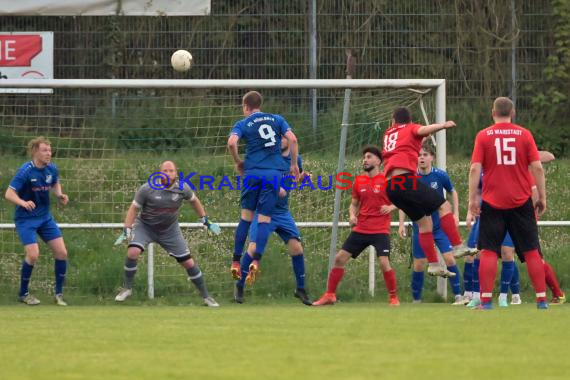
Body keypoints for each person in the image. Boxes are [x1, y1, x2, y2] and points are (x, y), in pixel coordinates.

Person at [468, 97, 548, 309]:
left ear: (492, 112)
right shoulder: (525, 134)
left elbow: (475, 169)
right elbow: (538, 168)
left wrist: (471, 200)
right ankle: (541, 300)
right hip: (521, 201)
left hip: (493, 201)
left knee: (488, 251)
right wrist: (542, 196)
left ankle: (485, 301)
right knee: (531, 250)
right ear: (512, 113)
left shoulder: (483, 136)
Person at [381, 107, 474, 278]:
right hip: (405, 181)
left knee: (425, 224)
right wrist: (442, 125)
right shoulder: (410, 128)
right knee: (444, 206)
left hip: (391, 187)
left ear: (393, 121)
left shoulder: (388, 133)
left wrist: (425, 135)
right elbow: (422, 130)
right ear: (409, 121)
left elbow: (415, 138)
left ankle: (432, 264)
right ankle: (457, 246)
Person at [114, 160, 221, 306]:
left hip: (169, 230)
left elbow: (195, 201)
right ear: (160, 173)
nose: (168, 173)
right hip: (145, 227)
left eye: (171, 170)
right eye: (165, 170)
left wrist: (206, 221)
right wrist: (127, 228)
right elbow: (133, 208)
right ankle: (127, 288)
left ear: (176, 173)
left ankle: (206, 297)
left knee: (189, 263)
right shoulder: (147, 189)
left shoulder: (183, 188)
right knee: (133, 252)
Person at [313, 145, 400, 306]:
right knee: (339, 258)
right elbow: (354, 204)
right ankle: (330, 295)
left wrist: (391, 207)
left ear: (378, 161)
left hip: (380, 229)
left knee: (383, 262)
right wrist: (352, 215)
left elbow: (402, 201)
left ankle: (393, 297)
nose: (365, 160)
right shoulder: (359, 181)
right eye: (364, 157)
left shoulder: (388, 180)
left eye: (369, 157)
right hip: (362, 228)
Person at [227, 91, 299, 284]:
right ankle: (256, 260)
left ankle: (235, 262)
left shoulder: (243, 123)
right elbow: (292, 139)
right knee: (264, 219)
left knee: (246, 218)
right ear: (260, 104)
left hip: (252, 173)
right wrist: (293, 164)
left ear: (246, 107)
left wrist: (238, 162)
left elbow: (232, 142)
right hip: (273, 175)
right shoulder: (277, 119)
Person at [234, 136, 311, 306]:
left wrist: (302, 178)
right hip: (263, 211)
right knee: (253, 249)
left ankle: (301, 289)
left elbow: (293, 180)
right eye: (279, 137)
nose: (281, 140)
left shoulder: (295, 159)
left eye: (284, 137)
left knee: (297, 248)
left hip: (282, 212)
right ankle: (239, 286)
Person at [398, 143, 468, 305]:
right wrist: (401, 224)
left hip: (440, 228)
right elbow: (403, 202)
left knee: (450, 260)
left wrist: (455, 214)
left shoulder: (440, 175)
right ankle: (416, 300)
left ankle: (459, 296)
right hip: (421, 228)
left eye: (425, 155)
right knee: (419, 264)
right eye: (419, 155)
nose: (421, 158)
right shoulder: (411, 178)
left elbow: (453, 192)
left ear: (432, 157)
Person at [5, 137, 70, 306]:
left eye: (50, 150)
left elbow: (55, 182)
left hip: (45, 218)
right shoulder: (25, 171)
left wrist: (59, 195)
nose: (49, 153)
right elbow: (9, 194)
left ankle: (59, 294)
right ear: (35, 151)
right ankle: (23, 294)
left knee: (62, 253)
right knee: (33, 255)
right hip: (26, 219)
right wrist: (23, 202)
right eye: (44, 150)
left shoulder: (52, 168)